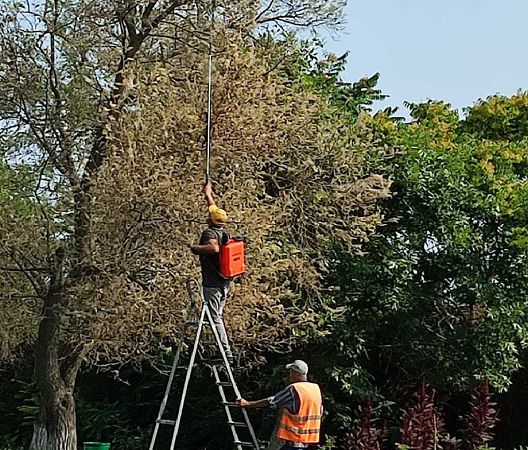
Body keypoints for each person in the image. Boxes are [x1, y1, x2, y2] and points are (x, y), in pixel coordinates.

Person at [190, 181, 234, 364]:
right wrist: (208, 194)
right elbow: (214, 209)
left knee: (215, 319)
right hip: (224, 284)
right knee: (217, 316)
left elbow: (213, 249)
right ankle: (223, 352)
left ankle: (226, 354)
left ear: (211, 221)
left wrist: (195, 248)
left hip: (213, 285)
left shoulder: (210, 234)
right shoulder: (223, 230)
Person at [237, 360, 323, 450]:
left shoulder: (294, 389)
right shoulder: (315, 389)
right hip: (306, 442)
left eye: (290, 372)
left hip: (293, 440)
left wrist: (248, 404)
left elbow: (272, 402)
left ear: (294, 373)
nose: (289, 375)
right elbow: (320, 411)